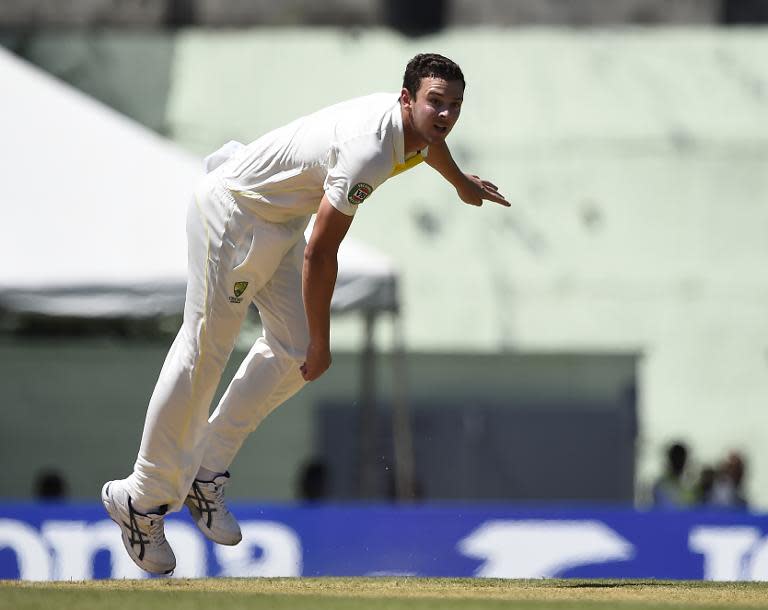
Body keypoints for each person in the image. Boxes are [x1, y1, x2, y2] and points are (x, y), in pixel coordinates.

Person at [102, 53, 509, 574]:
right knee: (206, 351)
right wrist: (324, 338)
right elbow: (323, 251)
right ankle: (138, 499)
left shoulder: (418, 131)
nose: (446, 114)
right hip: (236, 214)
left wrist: (459, 182)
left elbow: (431, 145)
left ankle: (205, 471)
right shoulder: (369, 150)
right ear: (406, 99)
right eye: (435, 102)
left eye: (454, 105)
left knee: (291, 352)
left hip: (278, 220)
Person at [652, 441, 696, 509]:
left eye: (681, 459)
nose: (678, 462)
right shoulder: (661, 485)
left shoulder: (690, 485)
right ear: (670, 460)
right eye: (675, 458)